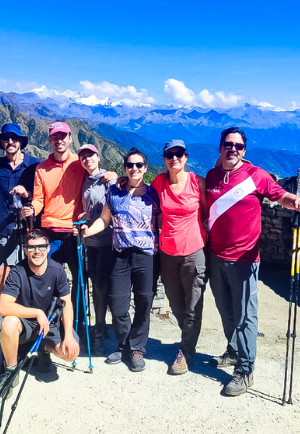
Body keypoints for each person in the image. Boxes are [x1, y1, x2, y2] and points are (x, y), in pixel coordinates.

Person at [205, 127, 300, 396]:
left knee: (245, 315)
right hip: (216, 255)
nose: (233, 150)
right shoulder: (213, 176)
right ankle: (234, 348)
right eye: (228, 144)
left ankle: (245, 369)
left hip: (245, 259)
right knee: (225, 308)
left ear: (245, 150)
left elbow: (278, 195)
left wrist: (295, 201)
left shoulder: (256, 176)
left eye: (239, 146)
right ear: (220, 147)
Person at [23, 121, 116, 332]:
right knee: (47, 279)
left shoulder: (79, 162)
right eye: (55, 137)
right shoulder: (41, 169)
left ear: (70, 138)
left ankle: (77, 324)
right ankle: (49, 323)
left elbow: (94, 176)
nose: (59, 140)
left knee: (79, 281)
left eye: (63, 136)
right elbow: (39, 199)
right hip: (50, 231)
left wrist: (112, 176)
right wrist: (32, 209)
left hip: (75, 231)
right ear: (49, 140)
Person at [83, 148, 159, 372]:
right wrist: (87, 232)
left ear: (145, 168)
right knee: (118, 304)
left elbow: (164, 222)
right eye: (130, 165)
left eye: (138, 165)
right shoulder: (114, 193)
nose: (134, 169)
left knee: (144, 302)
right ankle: (125, 344)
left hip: (146, 255)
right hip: (120, 254)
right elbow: (104, 220)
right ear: (124, 167)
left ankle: (136, 349)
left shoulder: (154, 194)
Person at [0, 230, 79, 398]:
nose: (37, 251)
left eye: (41, 247)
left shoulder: (58, 271)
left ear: (48, 249)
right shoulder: (18, 271)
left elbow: (67, 304)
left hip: (51, 324)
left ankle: (44, 349)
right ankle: (11, 373)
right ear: (25, 250)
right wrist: (37, 312)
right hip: (25, 323)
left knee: (70, 353)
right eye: (32, 248)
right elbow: (3, 308)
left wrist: (68, 335)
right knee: (8, 323)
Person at [150, 139, 208, 375]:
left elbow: (205, 211)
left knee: (193, 305)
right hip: (167, 254)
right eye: (169, 155)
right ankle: (189, 340)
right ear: (164, 159)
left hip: (193, 253)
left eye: (179, 154)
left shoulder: (197, 182)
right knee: (175, 303)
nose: (174, 158)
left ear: (186, 157)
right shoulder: (158, 182)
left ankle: (186, 351)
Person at [0, 123, 40, 335]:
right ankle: (4, 313)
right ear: (1, 142)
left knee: (30, 271)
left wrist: (26, 193)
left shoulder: (35, 165)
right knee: (0, 270)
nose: (10, 142)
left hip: (30, 227)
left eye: (14, 139)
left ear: (21, 142)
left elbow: (48, 189)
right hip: (5, 227)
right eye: (6, 139)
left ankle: (28, 312)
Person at [78, 144, 116, 356]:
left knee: (101, 287)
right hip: (90, 243)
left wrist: (116, 176)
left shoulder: (108, 179)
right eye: (83, 156)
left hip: (108, 241)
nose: (87, 159)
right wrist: (85, 214)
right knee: (96, 286)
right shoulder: (84, 181)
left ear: (98, 157)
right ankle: (100, 326)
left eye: (90, 155)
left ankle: (99, 332)